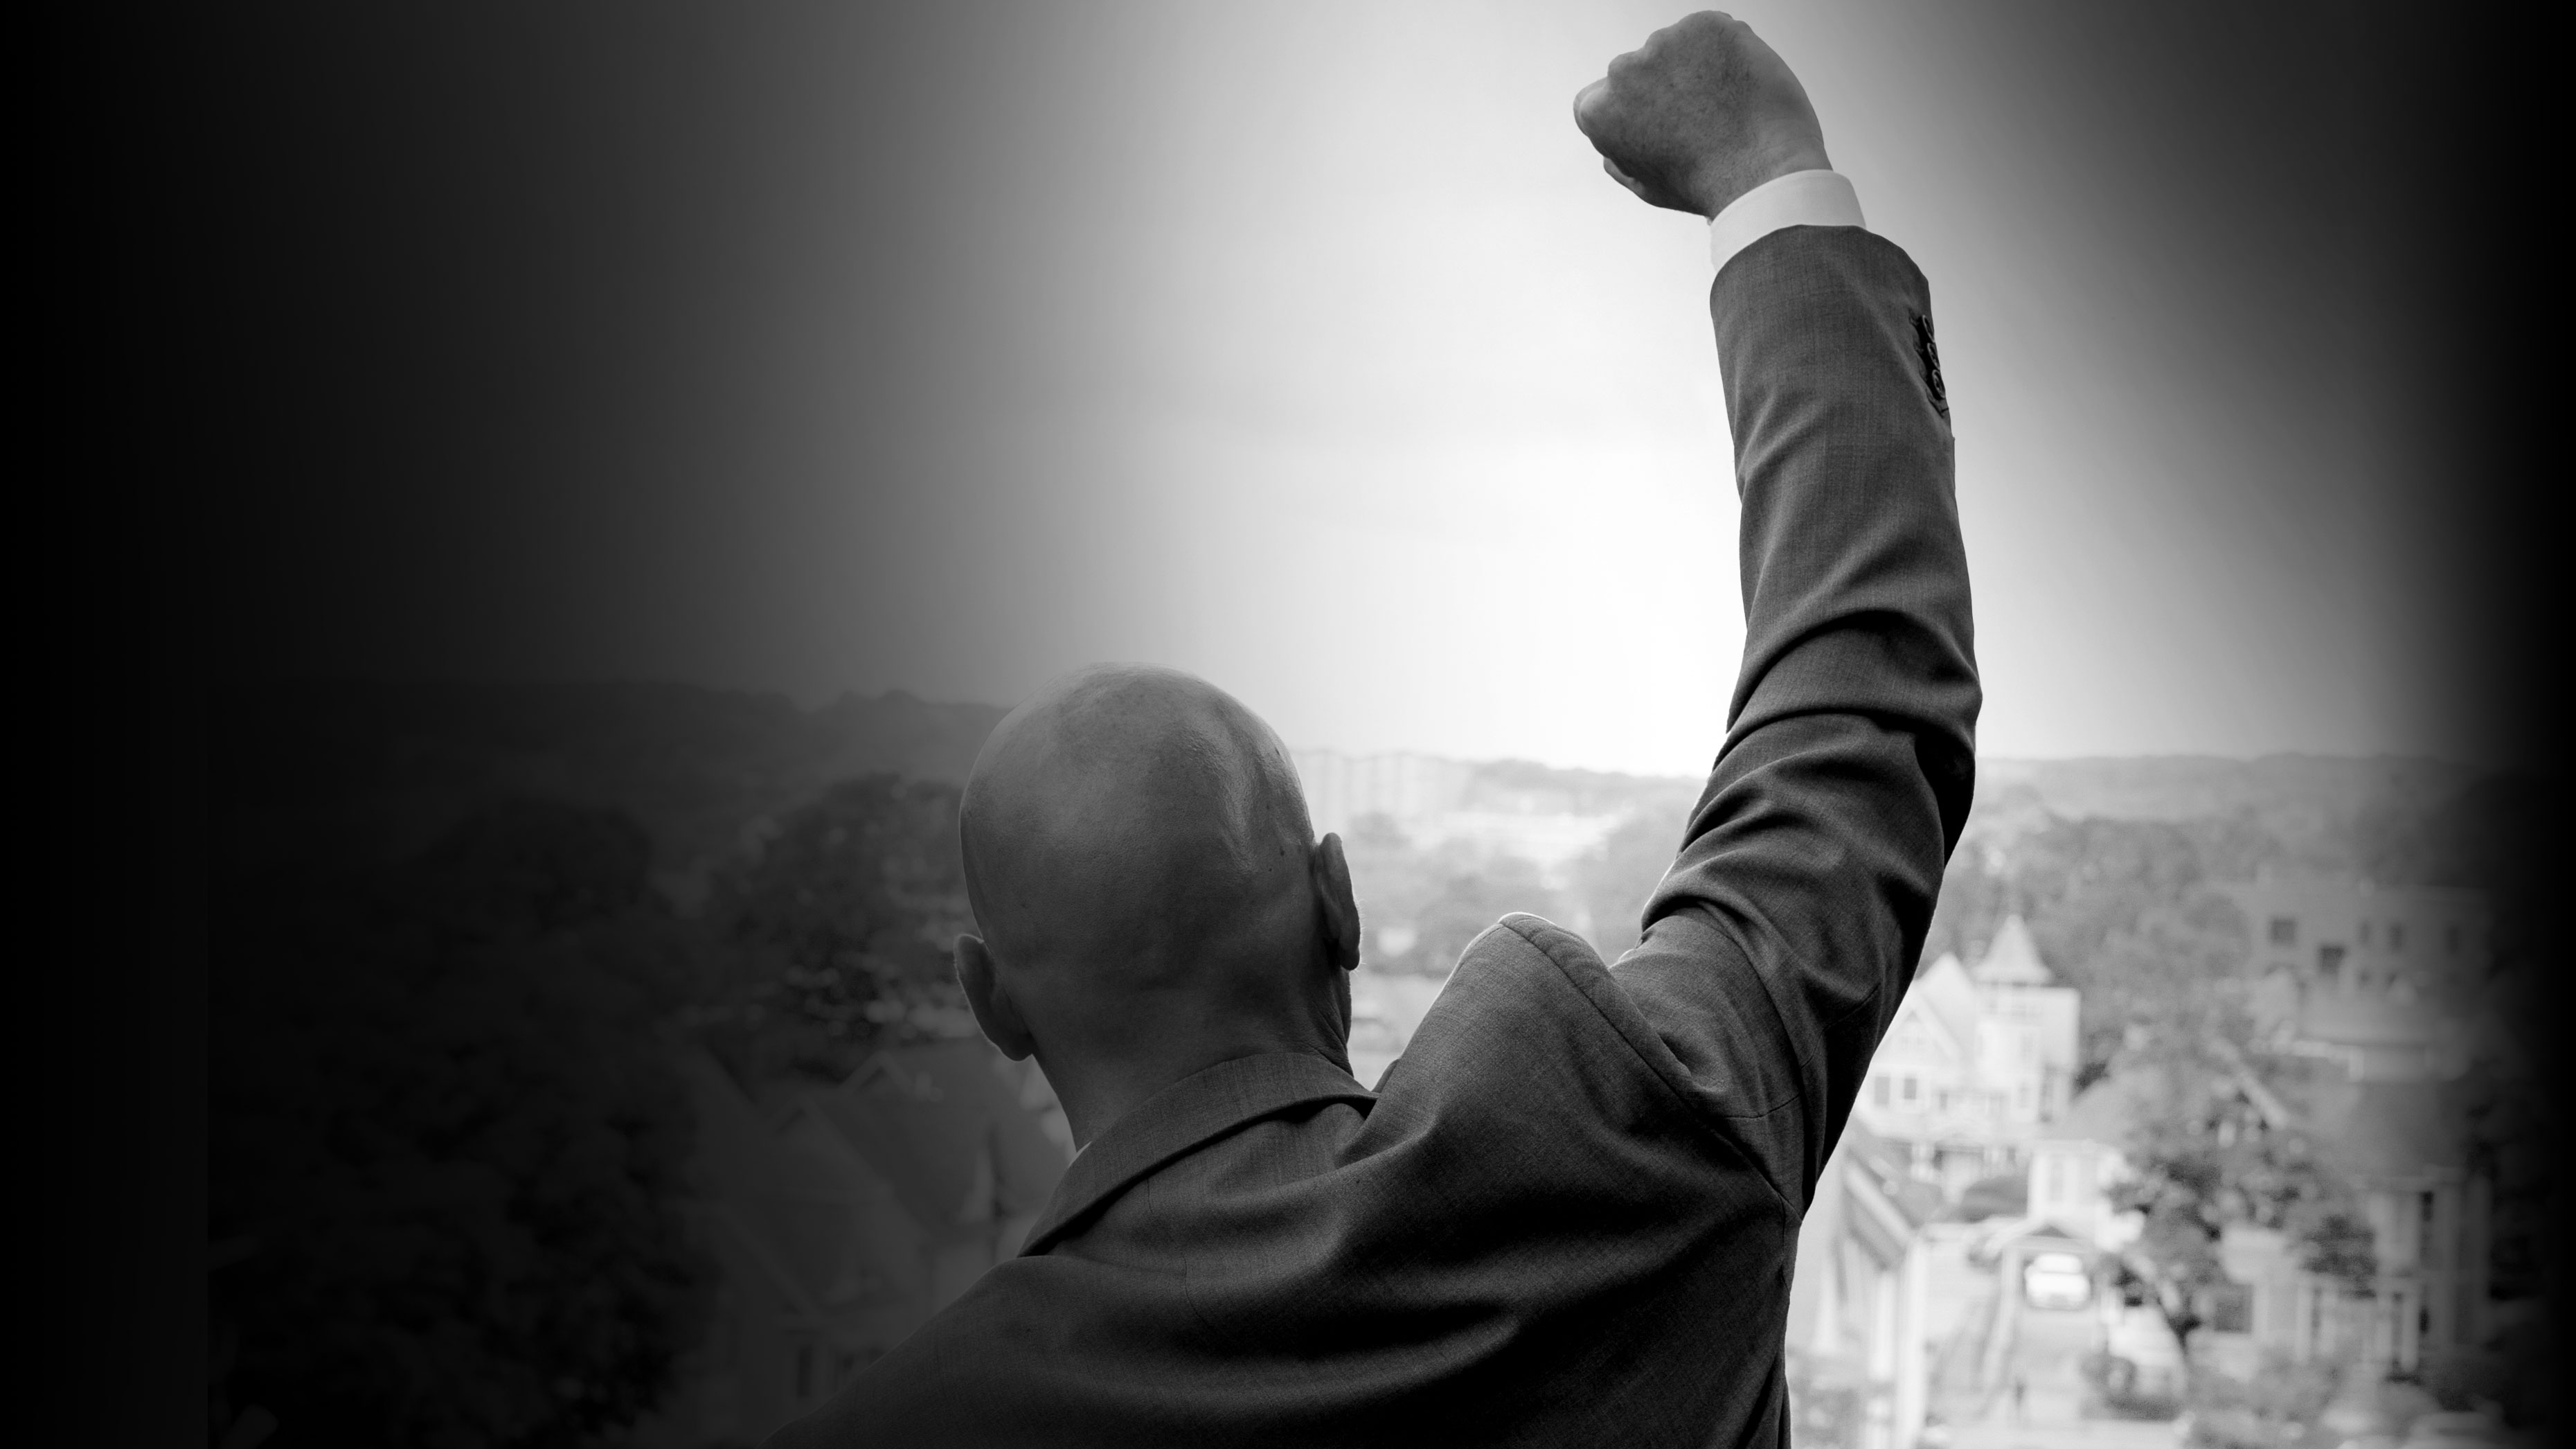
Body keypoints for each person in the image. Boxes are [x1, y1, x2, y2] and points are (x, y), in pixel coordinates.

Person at [767, 11, 1977, 1446]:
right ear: (1337, 902)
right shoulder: (1621, 1151)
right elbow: (1857, 713)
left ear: (992, 1001)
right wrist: (1769, 176)